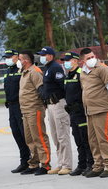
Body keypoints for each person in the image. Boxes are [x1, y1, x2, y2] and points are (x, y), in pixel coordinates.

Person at [79, 48, 108, 178]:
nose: (91, 59)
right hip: (89, 110)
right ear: (82, 61)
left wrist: (107, 104)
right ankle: (98, 165)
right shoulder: (83, 72)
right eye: (88, 58)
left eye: (92, 57)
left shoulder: (103, 69)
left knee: (104, 138)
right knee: (93, 140)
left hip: (101, 108)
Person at [36, 46, 73, 175]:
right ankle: (61, 163)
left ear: (50, 56)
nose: (41, 57)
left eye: (43, 55)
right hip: (51, 105)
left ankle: (67, 165)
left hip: (58, 104)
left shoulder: (56, 68)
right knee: (56, 136)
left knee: (63, 136)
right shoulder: (47, 68)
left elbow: (62, 86)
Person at [18, 50, 52, 175]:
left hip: (34, 109)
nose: (18, 61)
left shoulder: (35, 72)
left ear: (25, 60)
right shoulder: (24, 72)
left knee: (39, 137)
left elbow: (41, 90)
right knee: (29, 138)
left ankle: (45, 164)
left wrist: (43, 106)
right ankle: (34, 163)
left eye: (20, 59)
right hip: (25, 110)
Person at [61, 52, 94, 176]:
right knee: (78, 140)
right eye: (65, 60)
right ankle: (82, 164)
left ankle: (91, 163)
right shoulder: (68, 75)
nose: (66, 62)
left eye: (68, 60)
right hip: (72, 113)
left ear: (75, 61)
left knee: (86, 139)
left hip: (81, 112)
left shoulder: (81, 74)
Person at [3, 49, 30, 173]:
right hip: (11, 107)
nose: (7, 59)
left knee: (25, 134)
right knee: (16, 134)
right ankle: (24, 161)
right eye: (6, 57)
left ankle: (32, 161)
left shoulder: (22, 70)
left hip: (21, 106)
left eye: (10, 57)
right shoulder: (8, 71)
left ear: (16, 57)